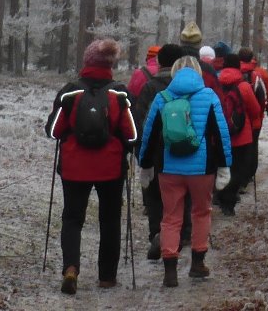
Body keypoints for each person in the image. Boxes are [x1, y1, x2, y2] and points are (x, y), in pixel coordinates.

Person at [45, 38, 137, 295]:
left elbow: (53, 131)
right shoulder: (119, 92)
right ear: (111, 63)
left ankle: (71, 269)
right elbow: (132, 135)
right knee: (109, 219)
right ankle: (107, 276)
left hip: (75, 167)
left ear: (86, 62)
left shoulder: (70, 91)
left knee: (73, 218)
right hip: (110, 168)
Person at [138, 55, 231, 288]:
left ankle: (170, 271)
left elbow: (149, 134)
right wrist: (224, 164)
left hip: (169, 167)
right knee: (201, 213)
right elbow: (221, 133)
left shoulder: (162, 97)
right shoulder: (209, 96)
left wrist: (145, 163)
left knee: (170, 218)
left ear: (174, 72)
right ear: (198, 72)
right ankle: (197, 264)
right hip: (202, 168)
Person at [133, 43, 184, 261]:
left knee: (154, 196)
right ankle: (176, 237)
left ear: (160, 62)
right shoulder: (184, 87)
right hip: (181, 151)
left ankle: (156, 233)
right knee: (178, 197)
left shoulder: (149, 86)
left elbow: (139, 119)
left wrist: (141, 152)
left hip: (154, 151)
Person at [215, 53, 263, 215]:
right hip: (242, 135)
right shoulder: (243, 86)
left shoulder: (216, 84)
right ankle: (228, 201)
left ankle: (220, 195)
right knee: (238, 170)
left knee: (222, 166)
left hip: (221, 134)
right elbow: (255, 110)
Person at [238, 46, 268, 187]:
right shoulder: (259, 73)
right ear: (252, 58)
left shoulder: (230, 73)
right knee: (252, 147)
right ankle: (248, 176)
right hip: (255, 118)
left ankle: (237, 178)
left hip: (235, 118)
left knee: (238, 148)